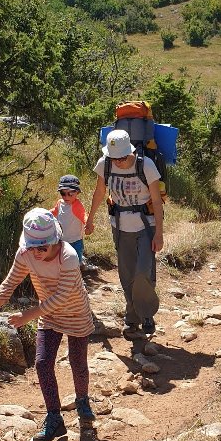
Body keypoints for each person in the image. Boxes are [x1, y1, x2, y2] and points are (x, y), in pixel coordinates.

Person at [0, 207, 95, 441]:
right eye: (32, 246)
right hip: (48, 314)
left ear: (54, 241)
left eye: (42, 246)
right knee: (42, 363)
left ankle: (82, 400)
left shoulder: (68, 256)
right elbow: (9, 284)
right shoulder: (25, 254)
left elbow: (61, 297)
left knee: (77, 361)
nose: (37, 252)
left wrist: (27, 315)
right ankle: (54, 417)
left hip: (75, 312)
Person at [84, 128, 164, 337]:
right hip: (119, 226)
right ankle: (132, 318)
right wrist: (90, 219)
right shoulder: (105, 164)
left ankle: (146, 314)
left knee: (143, 272)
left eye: (121, 157)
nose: (118, 161)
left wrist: (159, 234)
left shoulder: (146, 165)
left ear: (130, 151)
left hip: (146, 225)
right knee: (127, 274)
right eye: (114, 157)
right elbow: (100, 192)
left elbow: (156, 200)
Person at [48, 174, 87, 264]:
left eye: (70, 194)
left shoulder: (77, 205)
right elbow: (55, 211)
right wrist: (45, 213)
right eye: (63, 193)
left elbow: (84, 215)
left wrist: (88, 224)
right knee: (62, 260)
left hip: (75, 240)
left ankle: (77, 273)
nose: (66, 197)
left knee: (76, 261)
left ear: (77, 192)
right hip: (61, 240)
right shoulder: (60, 203)